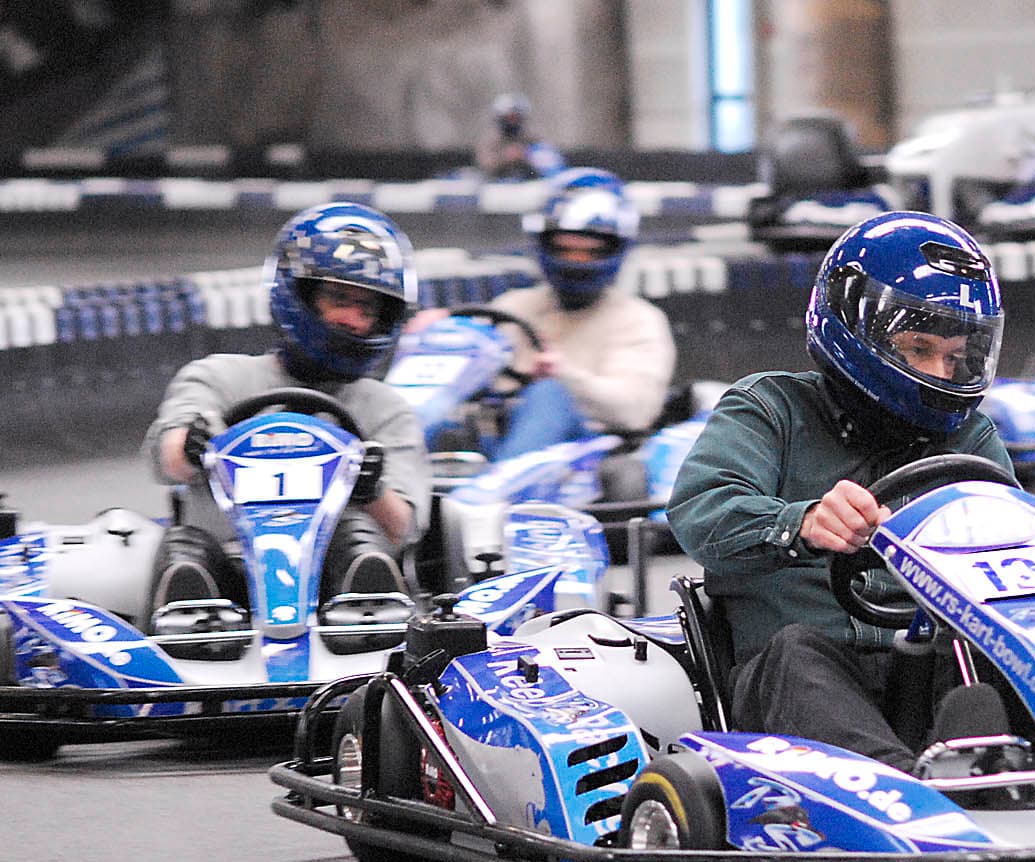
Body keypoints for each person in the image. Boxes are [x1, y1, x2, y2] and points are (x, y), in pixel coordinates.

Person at [668, 211, 1035, 775]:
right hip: (800, 687)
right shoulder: (770, 408)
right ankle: (907, 792)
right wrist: (800, 523)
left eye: (955, 356)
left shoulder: (969, 438)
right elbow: (701, 510)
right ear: (855, 328)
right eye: (919, 348)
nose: (940, 372)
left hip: (932, 671)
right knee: (797, 652)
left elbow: (1021, 560)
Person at [142, 201, 431, 620]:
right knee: (186, 552)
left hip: (339, 596)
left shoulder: (385, 409)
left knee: (358, 540)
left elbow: (403, 528)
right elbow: (168, 459)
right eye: (339, 300)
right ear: (299, 295)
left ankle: (368, 621)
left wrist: (370, 489)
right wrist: (190, 444)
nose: (352, 319)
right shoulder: (218, 377)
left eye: (366, 309)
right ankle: (191, 628)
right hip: (223, 574)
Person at [417, 167, 676, 460]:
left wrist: (563, 375)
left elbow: (634, 410)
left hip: (586, 459)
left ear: (614, 250)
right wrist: (437, 334)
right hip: (499, 441)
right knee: (446, 415)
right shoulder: (513, 307)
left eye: (589, 251)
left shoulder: (639, 320)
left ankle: (494, 496)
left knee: (548, 395)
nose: (575, 261)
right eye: (564, 249)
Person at [473, 92, 565, 181]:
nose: (512, 122)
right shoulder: (491, 141)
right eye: (508, 118)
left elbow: (551, 162)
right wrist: (506, 158)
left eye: (515, 118)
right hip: (498, 187)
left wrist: (526, 157)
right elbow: (486, 165)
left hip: (531, 186)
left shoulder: (533, 139)